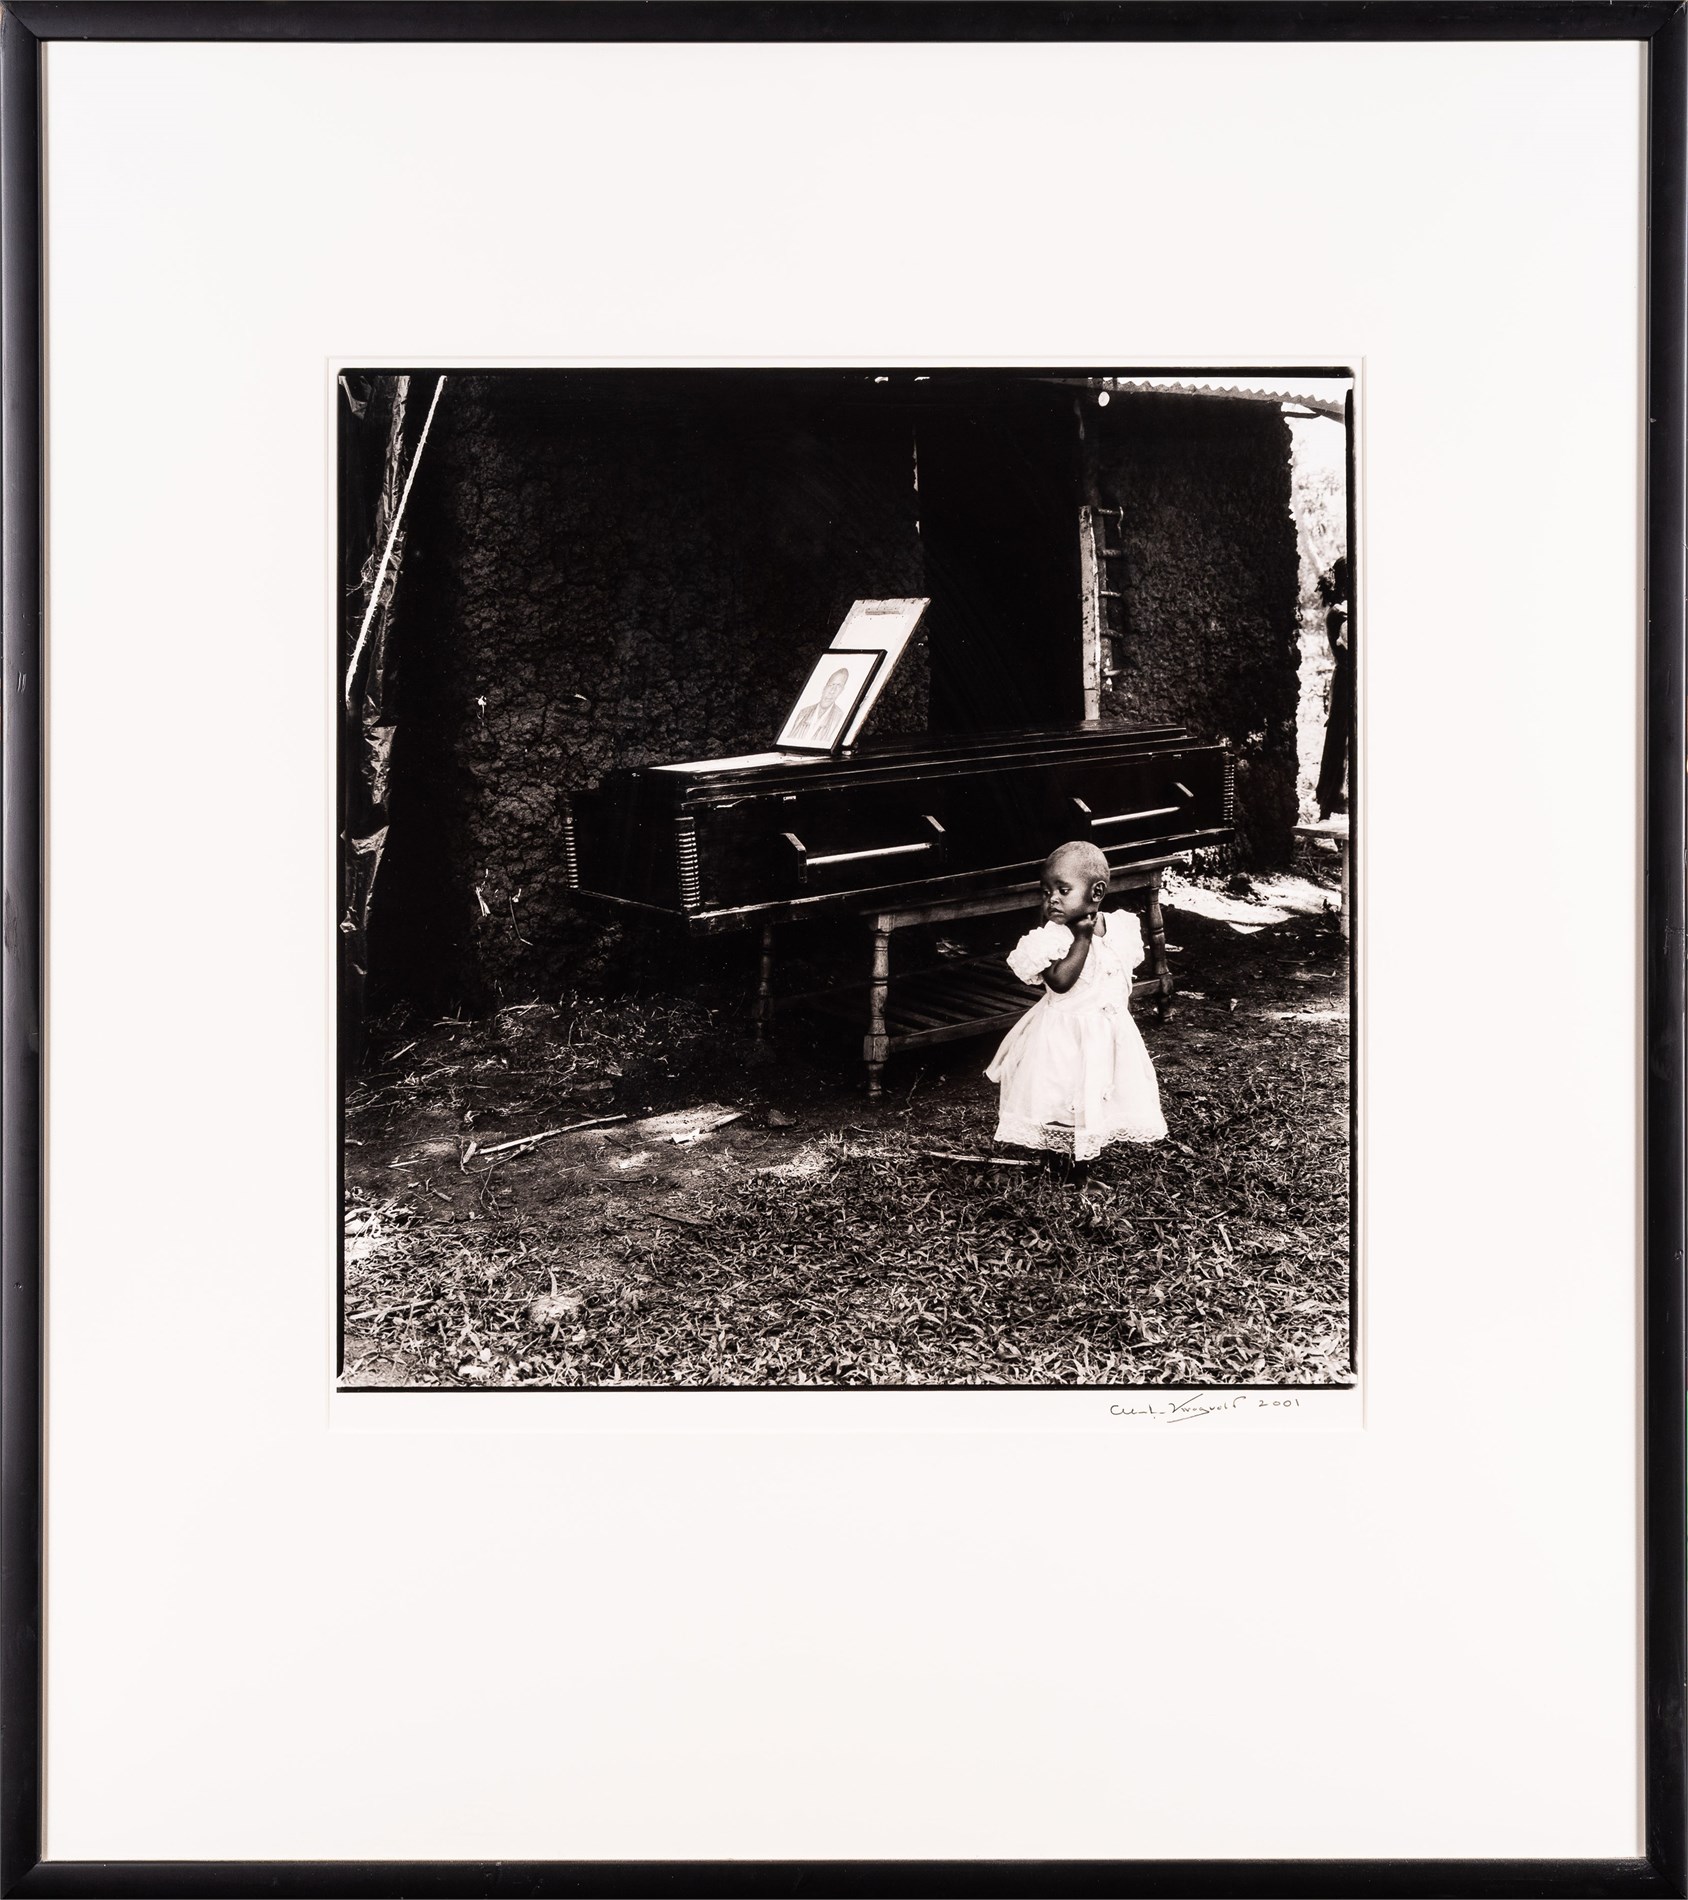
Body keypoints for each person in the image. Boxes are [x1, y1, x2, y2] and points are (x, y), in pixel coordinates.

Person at [986, 840, 1167, 1163]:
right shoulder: (1053, 937)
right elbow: (1060, 983)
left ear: (1096, 892)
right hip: (1063, 1037)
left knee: (1094, 1096)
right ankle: (1061, 1164)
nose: (1052, 899)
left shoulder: (1119, 928)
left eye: (1063, 890)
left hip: (1104, 1033)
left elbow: (1118, 974)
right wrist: (1081, 938)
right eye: (1046, 892)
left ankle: (1082, 1161)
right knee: (1061, 1097)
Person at [787, 666, 851, 747]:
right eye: (831, 685)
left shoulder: (840, 718)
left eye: (838, 686)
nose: (832, 691)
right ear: (824, 688)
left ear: (841, 691)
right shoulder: (804, 713)